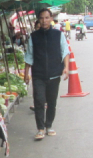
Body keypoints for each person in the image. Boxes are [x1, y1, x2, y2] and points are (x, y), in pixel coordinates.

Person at [24, 7, 70, 140]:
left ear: (51, 19)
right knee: (38, 101)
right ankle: (40, 129)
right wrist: (27, 73)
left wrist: (66, 67)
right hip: (38, 74)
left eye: (47, 18)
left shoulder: (58, 35)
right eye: (42, 18)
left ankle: (49, 125)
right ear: (38, 20)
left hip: (54, 74)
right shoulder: (33, 37)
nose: (44, 21)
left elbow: (65, 52)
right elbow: (29, 56)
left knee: (51, 102)